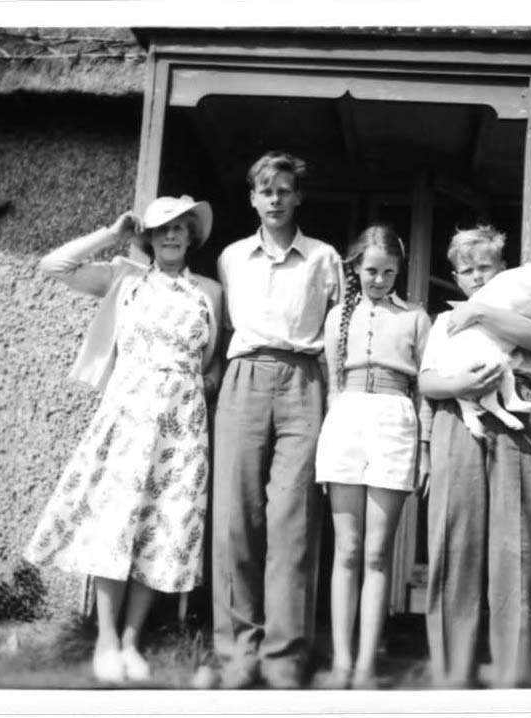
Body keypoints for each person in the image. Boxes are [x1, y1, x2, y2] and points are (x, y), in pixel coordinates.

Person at [24, 196, 223, 684]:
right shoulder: (125, 278)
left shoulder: (210, 291)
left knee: (161, 527)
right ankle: (106, 640)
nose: (171, 235)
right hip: (128, 417)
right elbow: (53, 265)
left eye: (179, 228)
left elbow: (213, 358)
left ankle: (132, 640)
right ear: (148, 237)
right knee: (115, 522)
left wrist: (202, 384)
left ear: (192, 235)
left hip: (182, 424)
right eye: (161, 229)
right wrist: (113, 234)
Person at [211, 151, 343, 689]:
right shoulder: (231, 258)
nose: (275, 199)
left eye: (284, 190)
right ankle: (237, 653)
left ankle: (285, 656)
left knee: (293, 519)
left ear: (298, 196)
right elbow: (221, 329)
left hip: (304, 380)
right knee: (235, 517)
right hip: (244, 377)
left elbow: (336, 334)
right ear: (252, 198)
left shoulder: (324, 258)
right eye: (265, 191)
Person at [418, 225, 531, 689]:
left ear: (504, 270)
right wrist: (457, 385)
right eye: (468, 271)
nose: (477, 277)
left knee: (515, 544)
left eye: (486, 268)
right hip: (457, 416)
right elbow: (427, 380)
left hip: (515, 416)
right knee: (454, 539)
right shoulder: (445, 321)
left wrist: (480, 311)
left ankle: (510, 676)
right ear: (455, 277)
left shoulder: (526, 309)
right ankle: (451, 673)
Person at [315, 225, 431, 689]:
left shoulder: (416, 318)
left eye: (388, 272)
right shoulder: (337, 317)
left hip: (394, 421)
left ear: (399, 272)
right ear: (356, 269)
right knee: (347, 549)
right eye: (370, 271)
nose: (379, 280)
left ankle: (366, 664)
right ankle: (341, 661)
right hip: (346, 419)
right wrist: (332, 432)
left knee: (377, 553)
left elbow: (424, 390)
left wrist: (424, 448)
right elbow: (332, 385)